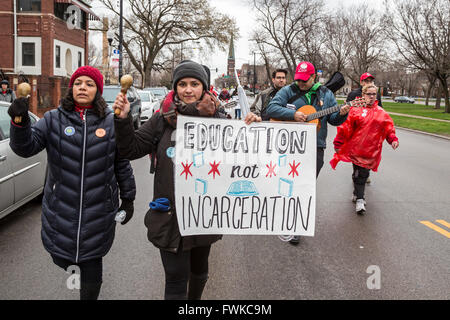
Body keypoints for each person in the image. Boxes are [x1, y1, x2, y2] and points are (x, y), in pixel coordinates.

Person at [113, 60, 261, 300]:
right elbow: (130, 149)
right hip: (169, 215)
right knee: (175, 277)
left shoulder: (220, 120)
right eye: (182, 84)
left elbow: (244, 160)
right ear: (175, 87)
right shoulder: (161, 120)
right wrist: (122, 121)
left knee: (199, 270)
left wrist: (252, 129)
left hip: (203, 214)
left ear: (204, 88)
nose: (188, 89)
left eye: (194, 84)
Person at [7, 66, 136, 300]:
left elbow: (121, 161)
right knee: (65, 258)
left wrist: (128, 198)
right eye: (78, 83)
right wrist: (20, 121)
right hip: (61, 207)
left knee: (91, 263)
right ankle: (75, 279)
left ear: (97, 90)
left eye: (89, 84)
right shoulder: (53, 119)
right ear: (71, 89)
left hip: (99, 209)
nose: (83, 87)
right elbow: (26, 148)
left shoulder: (109, 120)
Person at [265, 61, 350, 244]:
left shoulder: (326, 94)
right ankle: (286, 218)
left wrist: (342, 113)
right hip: (290, 146)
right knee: (289, 184)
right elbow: (271, 109)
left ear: (314, 77)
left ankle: (296, 225)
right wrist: (293, 115)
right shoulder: (289, 90)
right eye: (299, 80)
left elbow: (333, 120)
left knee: (305, 186)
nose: (301, 83)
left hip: (315, 147)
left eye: (305, 80)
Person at [330, 84, 399, 214]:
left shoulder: (381, 113)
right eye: (369, 94)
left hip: (371, 152)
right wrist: (338, 144)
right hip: (356, 150)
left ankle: (357, 193)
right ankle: (360, 200)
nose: (372, 97)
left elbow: (388, 129)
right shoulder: (355, 110)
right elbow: (344, 128)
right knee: (359, 174)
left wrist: (393, 140)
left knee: (364, 174)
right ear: (363, 95)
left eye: (374, 94)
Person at [346, 72, 382, 185]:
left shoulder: (376, 94)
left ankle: (365, 173)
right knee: (356, 154)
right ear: (361, 82)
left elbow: (379, 109)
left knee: (369, 153)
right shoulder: (353, 94)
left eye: (370, 81)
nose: (369, 83)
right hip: (356, 130)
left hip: (371, 130)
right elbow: (347, 110)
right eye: (366, 81)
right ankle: (357, 172)